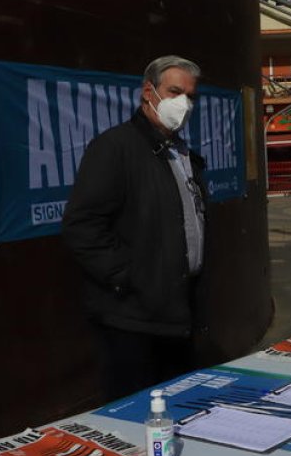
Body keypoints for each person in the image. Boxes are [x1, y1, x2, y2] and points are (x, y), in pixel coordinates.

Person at [63, 56, 207, 402]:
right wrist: (128, 278)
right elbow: (82, 226)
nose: (183, 104)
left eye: (190, 96)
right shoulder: (115, 148)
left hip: (178, 313)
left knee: (180, 412)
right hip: (132, 320)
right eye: (174, 91)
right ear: (148, 92)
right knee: (137, 418)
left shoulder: (184, 155)